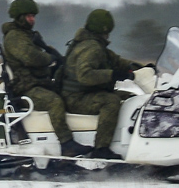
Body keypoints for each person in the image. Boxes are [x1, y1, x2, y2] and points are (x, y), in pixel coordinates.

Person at [0, 0, 90, 158]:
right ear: (19, 17)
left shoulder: (27, 36)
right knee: (54, 101)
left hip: (38, 83)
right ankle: (66, 144)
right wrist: (50, 58)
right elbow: (30, 57)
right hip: (26, 88)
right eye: (29, 16)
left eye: (33, 16)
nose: (32, 20)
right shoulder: (14, 37)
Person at [60, 9, 141, 160]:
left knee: (130, 97)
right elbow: (85, 75)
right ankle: (101, 149)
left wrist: (139, 67)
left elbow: (115, 61)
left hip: (85, 94)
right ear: (105, 29)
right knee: (111, 102)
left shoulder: (94, 44)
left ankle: (128, 141)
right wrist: (112, 74)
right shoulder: (91, 48)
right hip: (75, 98)